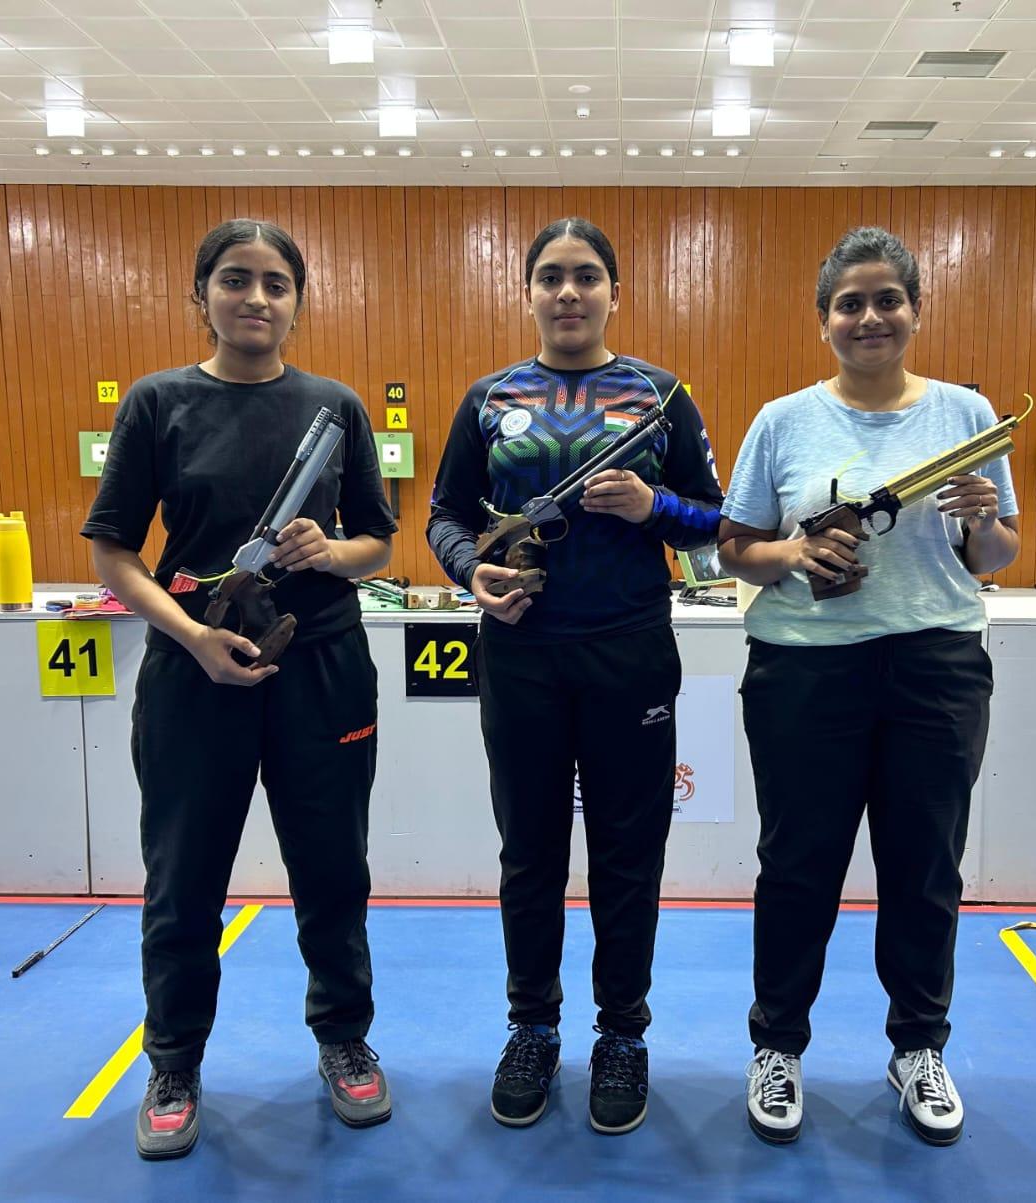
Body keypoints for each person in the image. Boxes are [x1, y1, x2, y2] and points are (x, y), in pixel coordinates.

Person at [81, 219, 397, 1160]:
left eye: (274, 283)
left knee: (334, 872)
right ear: (202, 294)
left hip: (324, 668)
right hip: (194, 671)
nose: (255, 298)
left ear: (299, 299)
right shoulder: (157, 403)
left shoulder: (336, 407)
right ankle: (172, 1059)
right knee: (184, 881)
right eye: (234, 280)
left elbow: (378, 542)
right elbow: (113, 553)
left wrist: (327, 550)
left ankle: (344, 1039)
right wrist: (192, 637)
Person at [717, 226, 1020, 1148]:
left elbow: (998, 555)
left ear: (916, 310)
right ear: (824, 321)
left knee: (925, 869)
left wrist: (982, 520)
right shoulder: (783, 421)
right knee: (798, 866)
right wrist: (799, 554)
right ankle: (778, 1046)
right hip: (806, 669)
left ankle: (918, 1046)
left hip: (934, 667)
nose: (870, 316)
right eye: (850, 302)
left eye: (888, 298)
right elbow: (735, 547)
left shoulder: (969, 415)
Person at [427, 217, 723, 1136]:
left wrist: (654, 504)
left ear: (614, 292)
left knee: (629, 859)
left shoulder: (662, 395)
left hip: (629, 651)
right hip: (519, 654)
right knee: (530, 852)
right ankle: (532, 1025)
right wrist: (471, 573)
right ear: (528, 292)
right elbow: (444, 517)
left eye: (586, 275)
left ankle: (622, 1035)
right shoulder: (487, 398)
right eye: (551, 276)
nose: (568, 292)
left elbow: (717, 520)